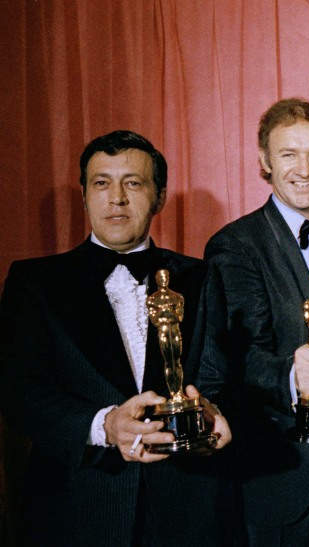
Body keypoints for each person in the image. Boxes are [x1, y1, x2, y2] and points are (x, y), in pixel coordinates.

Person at [0, 130, 232, 545]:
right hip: (76, 509)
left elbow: (219, 378)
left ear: (159, 197)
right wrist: (103, 426)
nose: (117, 198)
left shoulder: (201, 277)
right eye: (101, 183)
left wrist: (214, 413)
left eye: (133, 183)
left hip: (184, 511)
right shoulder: (35, 282)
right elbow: (17, 394)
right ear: (85, 194)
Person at [195, 98, 309, 546]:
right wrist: (294, 377)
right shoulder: (235, 245)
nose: (304, 168)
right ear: (264, 163)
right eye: (289, 154)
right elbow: (235, 355)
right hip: (279, 474)